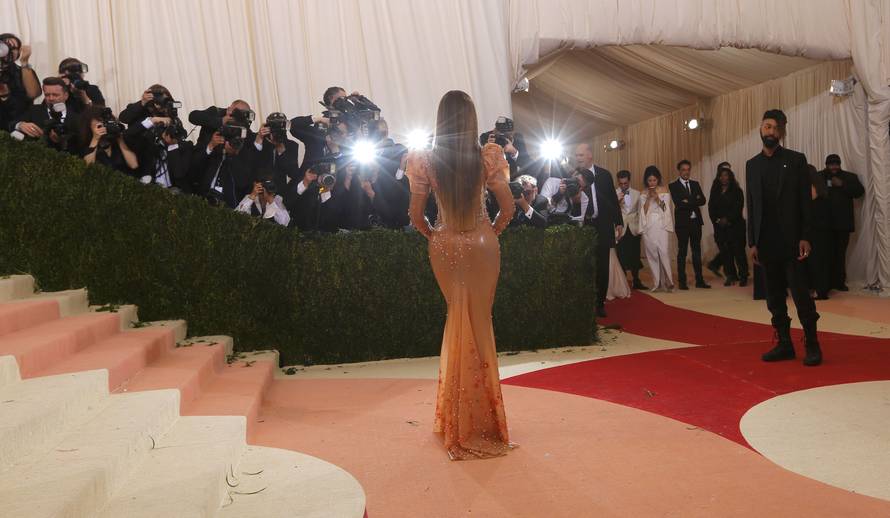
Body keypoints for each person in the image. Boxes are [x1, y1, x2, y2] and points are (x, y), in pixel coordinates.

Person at [406, 90, 515, 461]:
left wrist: (435, 235)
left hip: (445, 244)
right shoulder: (489, 155)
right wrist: (488, 234)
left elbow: (415, 215)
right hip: (483, 243)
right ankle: (486, 421)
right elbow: (508, 208)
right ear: (472, 119)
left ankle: (458, 419)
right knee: (480, 324)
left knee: (456, 319)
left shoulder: (424, 160)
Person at [747, 109, 821, 366]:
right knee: (774, 297)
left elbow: (805, 202)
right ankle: (784, 344)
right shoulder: (752, 165)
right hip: (766, 242)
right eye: (767, 126)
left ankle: (812, 344)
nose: (771, 131)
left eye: (775, 128)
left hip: (792, 240)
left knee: (801, 295)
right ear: (761, 129)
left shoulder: (796, 160)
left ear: (781, 132)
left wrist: (805, 236)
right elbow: (752, 205)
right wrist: (752, 242)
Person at [574, 143, 623, 317]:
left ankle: (600, 303)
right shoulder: (573, 176)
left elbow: (612, 200)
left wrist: (619, 222)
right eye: (576, 155)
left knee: (603, 266)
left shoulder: (604, 175)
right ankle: (585, 301)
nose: (578, 158)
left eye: (580, 155)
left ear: (590, 155)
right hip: (583, 227)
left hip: (603, 226)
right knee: (585, 265)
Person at [820, 154, 864, 292]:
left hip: (843, 224)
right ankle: (826, 282)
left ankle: (839, 282)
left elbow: (859, 192)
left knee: (840, 254)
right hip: (824, 224)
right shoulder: (819, 176)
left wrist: (842, 184)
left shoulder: (849, 177)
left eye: (836, 164)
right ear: (826, 165)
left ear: (840, 164)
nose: (834, 167)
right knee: (825, 254)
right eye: (831, 164)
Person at [13, 77, 81, 154]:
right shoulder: (33, 111)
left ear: (66, 95)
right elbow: (11, 124)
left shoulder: (77, 118)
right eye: (47, 95)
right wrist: (20, 125)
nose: (51, 98)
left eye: (55, 95)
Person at [669, 160, 710, 289]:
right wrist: (694, 199)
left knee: (696, 252)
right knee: (682, 252)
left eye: (688, 169)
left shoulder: (695, 184)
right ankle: (682, 282)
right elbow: (679, 203)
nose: (686, 172)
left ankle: (700, 281)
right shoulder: (673, 186)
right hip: (682, 224)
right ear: (679, 171)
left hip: (696, 222)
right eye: (683, 170)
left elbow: (703, 200)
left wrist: (688, 200)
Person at [708, 167, 749, 286]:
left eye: (726, 175)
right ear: (718, 177)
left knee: (739, 253)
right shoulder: (715, 191)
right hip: (720, 228)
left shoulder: (737, 191)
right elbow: (711, 208)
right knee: (726, 254)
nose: (723, 177)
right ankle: (730, 276)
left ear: (730, 176)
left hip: (735, 227)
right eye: (721, 175)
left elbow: (738, 208)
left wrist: (727, 219)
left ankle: (743, 276)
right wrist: (717, 220)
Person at [639, 166, 675, 292]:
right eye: (649, 180)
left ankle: (669, 281)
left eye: (654, 180)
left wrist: (657, 198)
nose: (652, 183)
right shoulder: (643, 193)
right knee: (652, 254)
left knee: (663, 251)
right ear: (646, 180)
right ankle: (657, 282)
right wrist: (649, 198)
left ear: (658, 179)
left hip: (661, 224)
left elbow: (666, 209)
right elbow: (642, 212)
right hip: (648, 226)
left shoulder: (664, 190)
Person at [79, 106, 139, 174]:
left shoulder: (117, 141)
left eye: (106, 123)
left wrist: (119, 138)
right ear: (89, 126)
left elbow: (134, 165)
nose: (104, 126)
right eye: (99, 122)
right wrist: (95, 139)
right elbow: (88, 168)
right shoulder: (86, 145)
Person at [615, 170, 646, 289]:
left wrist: (641, 228)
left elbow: (640, 212)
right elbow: (612, 211)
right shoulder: (614, 194)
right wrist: (617, 202)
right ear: (618, 182)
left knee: (635, 255)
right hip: (620, 228)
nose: (623, 186)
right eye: (621, 183)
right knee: (621, 255)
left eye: (625, 183)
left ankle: (636, 280)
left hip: (634, 228)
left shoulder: (637, 193)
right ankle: (623, 281)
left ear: (629, 181)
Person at [807, 164, 832, 300]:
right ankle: (819, 289)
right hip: (821, 229)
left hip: (816, 229)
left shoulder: (812, 188)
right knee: (819, 261)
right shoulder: (820, 187)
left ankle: (820, 290)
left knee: (816, 261)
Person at [706, 161, 732, 278]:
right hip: (719, 224)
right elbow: (711, 206)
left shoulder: (732, 185)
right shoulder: (716, 186)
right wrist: (717, 221)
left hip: (730, 223)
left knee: (729, 248)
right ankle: (727, 273)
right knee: (724, 248)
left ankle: (714, 264)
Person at [0, 33, 41, 103]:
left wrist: (24, 62)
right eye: (6, 45)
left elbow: (33, 94)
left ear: (19, 52)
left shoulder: (23, 71)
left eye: (14, 48)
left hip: (20, 109)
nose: (8, 50)